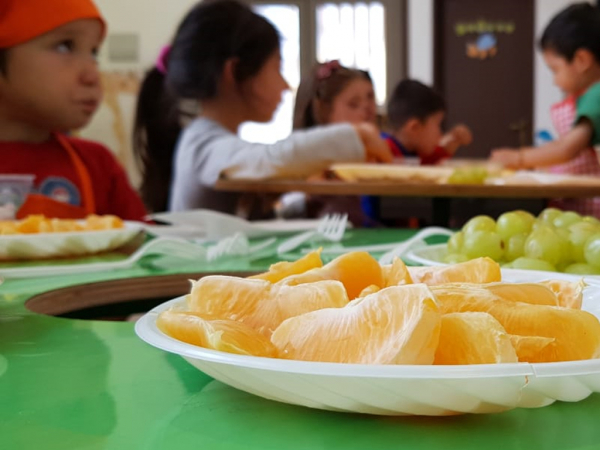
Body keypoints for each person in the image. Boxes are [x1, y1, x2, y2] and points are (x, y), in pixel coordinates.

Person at [133, 0, 392, 218]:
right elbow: (270, 157)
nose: (285, 84)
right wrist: (354, 134)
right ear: (234, 72)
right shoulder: (201, 140)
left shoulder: (212, 139)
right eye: (277, 67)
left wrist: (305, 203)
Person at [0, 0, 147, 221]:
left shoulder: (98, 166)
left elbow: (147, 249)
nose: (92, 75)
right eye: (65, 46)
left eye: (94, 53)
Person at [490, 3, 600, 216]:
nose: (555, 81)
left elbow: (567, 149)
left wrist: (518, 158)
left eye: (555, 69)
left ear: (581, 60)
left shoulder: (596, 94)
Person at [287, 60, 379, 223]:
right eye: (353, 104)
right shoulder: (300, 162)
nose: (368, 110)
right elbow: (284, 206)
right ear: (323, 111)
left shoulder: (375, 152)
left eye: (371, 98)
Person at [385, 79, 472, 165]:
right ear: (415, 127)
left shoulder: (412, 152)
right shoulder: (384, 154)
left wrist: (454, 141)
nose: (440, 133)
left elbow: (431, 160)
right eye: (437, 124)